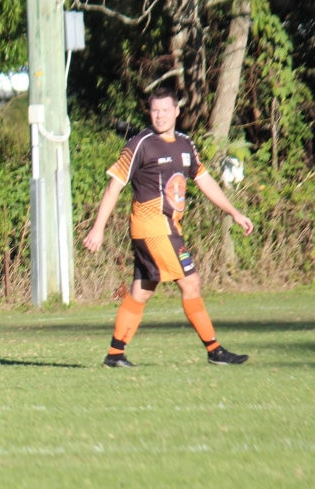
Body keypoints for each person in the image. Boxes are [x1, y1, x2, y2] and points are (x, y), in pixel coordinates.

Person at [82, 86, 253, 368]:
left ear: (176, 111)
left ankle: (115, 354)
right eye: (154, 110)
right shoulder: (141, 144)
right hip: (153, 227)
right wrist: (98, 228)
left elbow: (205, 180)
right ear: (149, 113)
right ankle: (214, 350)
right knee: (191, 282)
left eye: (165, 110)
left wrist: (233, 212)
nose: (159, 116)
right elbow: (114, 186)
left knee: (142, 290)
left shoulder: (185, 144)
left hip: (168, 227)